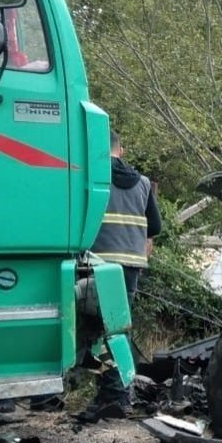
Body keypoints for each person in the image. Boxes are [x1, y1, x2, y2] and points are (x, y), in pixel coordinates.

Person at [77, 130, 162, 421]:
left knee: (90, 327)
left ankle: (111, 396)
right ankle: (118, 393)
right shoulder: (144, 183)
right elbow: (156, 228)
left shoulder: (92, 177)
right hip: (130, 265)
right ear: (121, 150)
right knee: (117, 328)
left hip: (98, 262)